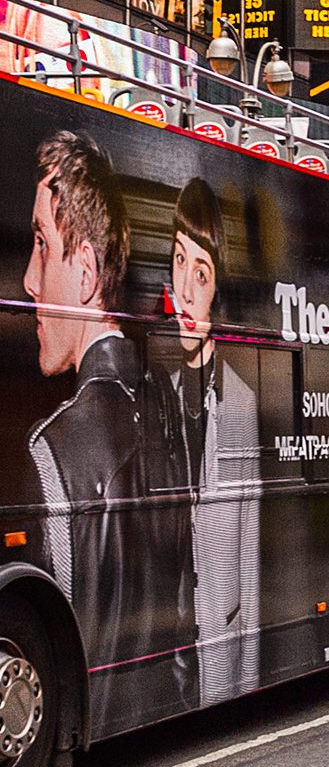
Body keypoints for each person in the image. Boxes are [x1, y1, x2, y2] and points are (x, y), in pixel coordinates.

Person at [25, 131, 192, 733]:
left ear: (87, 271)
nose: (27, 279)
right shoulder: (168, 415)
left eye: (42, 246)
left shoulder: (52, 448)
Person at [157, 178, 261, 708]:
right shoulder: (158, 399)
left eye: (202, 273)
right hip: (168, 657)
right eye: (179, 262)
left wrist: (246, 683)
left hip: (218, 656)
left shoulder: (240, 402)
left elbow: (247, 559)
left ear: (219, 288)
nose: (186, 289)